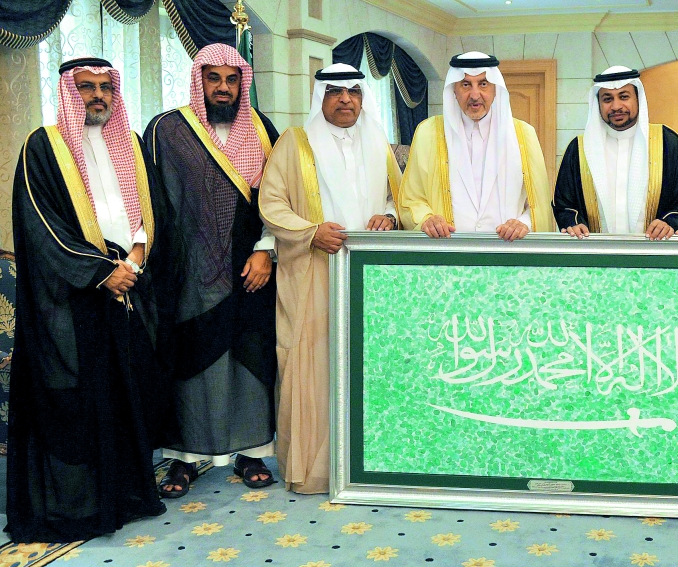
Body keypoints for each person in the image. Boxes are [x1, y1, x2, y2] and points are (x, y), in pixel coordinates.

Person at [7, 57, 175, 541]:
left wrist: (136, 258)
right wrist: (101, 272)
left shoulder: (131, 143)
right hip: (72, 296)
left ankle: (127, 495)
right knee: (78, 397)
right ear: (67, 91)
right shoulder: (43, 146)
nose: (97, 95)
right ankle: (79, 509)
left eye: (105, 87)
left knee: (126, 394)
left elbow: (152, 209)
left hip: (129, 283)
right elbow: (41, 224)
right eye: (86, 87)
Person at [144, 44, 281, 497]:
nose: (223, 88)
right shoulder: (168, 130)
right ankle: (184, 459)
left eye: (232, 79)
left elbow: (279, 198)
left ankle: (251, 452)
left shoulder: (261, 129)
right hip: (186, 273)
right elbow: (151, 199)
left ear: (243, 82)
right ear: (198, 80)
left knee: (250, 360)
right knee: (191, 364)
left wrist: (266, 250)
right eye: (213, 78)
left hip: (251, 270)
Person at [258, 64, 401, 494]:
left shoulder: (378, 141)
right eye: (335, 92)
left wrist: (390, 216)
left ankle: (375, 462)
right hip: (313, 269)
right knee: (313, 367)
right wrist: (310, 232)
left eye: (353, 91)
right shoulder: (295, 142)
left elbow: (398, 197)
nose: (345, 99)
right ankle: (317, 469)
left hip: (371, 275)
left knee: (373, 366)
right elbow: (271, 204)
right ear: (320, 97)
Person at [397, 51, 555, 239]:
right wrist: (426, 219)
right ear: (454, 90)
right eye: (465, 85)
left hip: (508, 249)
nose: (474, 95)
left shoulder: (523, 134)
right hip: (448, 250)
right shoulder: (428, 132)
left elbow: (539, 203)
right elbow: (411, 198)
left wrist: (524, 223)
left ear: (495, 89)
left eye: (483, 84)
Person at [552, 66, 678, 239]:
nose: (616, 106)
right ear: (598, 104)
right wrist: (573, 223)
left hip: (656, 250)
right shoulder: (579, 149)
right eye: (607, 99)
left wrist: (670, 222)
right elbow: (564, 203)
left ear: (638, 99)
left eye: (624, 96)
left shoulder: (668, 143)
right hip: (595, 252)